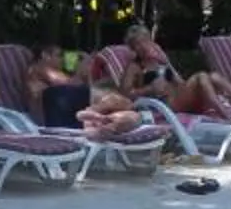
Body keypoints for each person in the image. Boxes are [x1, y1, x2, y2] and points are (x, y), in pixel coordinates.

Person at [23, 46, 153, 141]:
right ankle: (94, 111)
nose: (63, 59)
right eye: (59, 55)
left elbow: (82, 86)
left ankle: (104, 123)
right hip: (52, 107)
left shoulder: (49, 74)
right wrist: (82, 71)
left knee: (134, 116)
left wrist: (87, 75)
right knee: (121, 101)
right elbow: (68, 84)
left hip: (66, 112)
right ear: (45, 55)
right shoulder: (40, 67)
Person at [119, 26, 231, 119]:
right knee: (201, 76)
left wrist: (166, 63)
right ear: (133, 48)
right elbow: (125, 94)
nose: (143, 46)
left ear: (151, 41)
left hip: (182, 100)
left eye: (145, 41)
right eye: (137, 44)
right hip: (168, 106)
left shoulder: (159, 60)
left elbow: (180, 82)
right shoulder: (134, 67)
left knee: (214, 76)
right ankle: (228, 117)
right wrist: (149, 89)